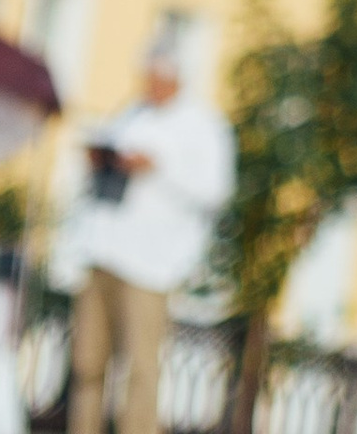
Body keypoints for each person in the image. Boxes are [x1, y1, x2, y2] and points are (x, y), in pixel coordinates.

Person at [63, 27, 234, 434]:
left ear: (175, 78)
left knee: (140, 368)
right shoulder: (130, 114)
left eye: (156, 78)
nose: (149, 86)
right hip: (103, 252)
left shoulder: (203, 125)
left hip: (151, 264)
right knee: (88, 362)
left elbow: (216, 191)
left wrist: (157, 167)